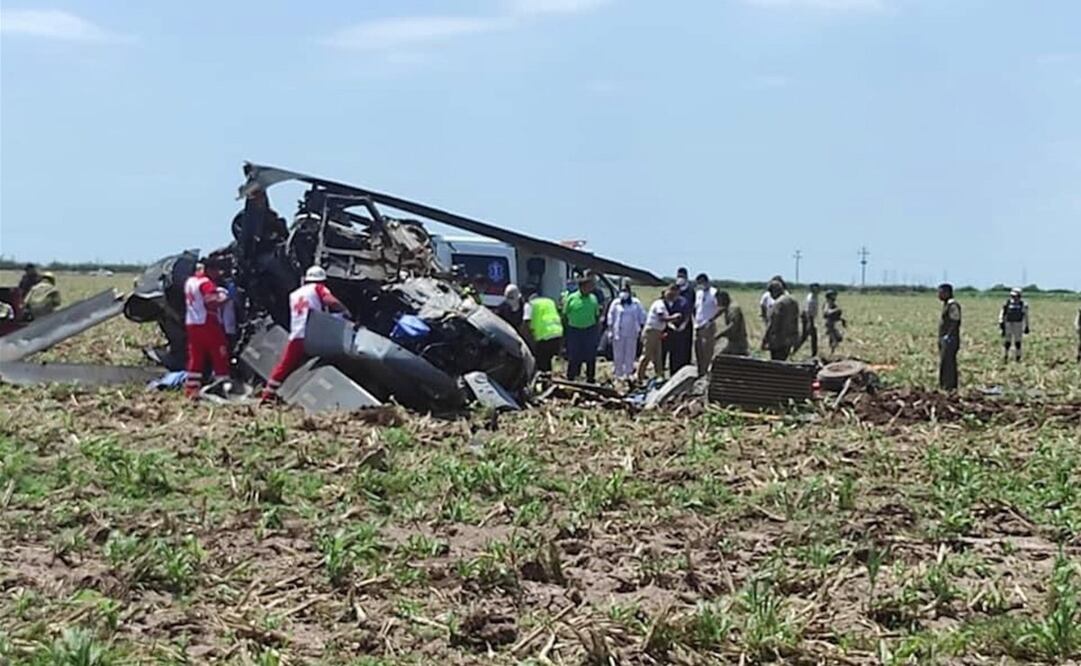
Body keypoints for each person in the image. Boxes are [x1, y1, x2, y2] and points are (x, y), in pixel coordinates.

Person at [262, 266, 349, 401]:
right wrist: (344, 311)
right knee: (337, 355)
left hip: (296, 336)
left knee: (284, 367)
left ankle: (267, 396)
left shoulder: (294, 294)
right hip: (314, 335)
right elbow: (329, 300)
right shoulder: (318, 288)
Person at [183, 262, 231, 398]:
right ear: (209, 270)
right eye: (217, 270)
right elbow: (211, 301)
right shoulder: (206, 283)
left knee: (196, 356)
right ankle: (222, 386)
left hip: (192, 323)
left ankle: (191, 389)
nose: (219, 273)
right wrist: (224, 297)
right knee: (219, 352)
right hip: (207, 322)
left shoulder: (190, 282)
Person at [638, 285, 682, 382]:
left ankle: (659, 376)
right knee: (647, 355)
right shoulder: (659, 304)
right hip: (651, 331)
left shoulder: (664, 305)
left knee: (658, 356)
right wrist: (674, 317)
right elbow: (661, 318)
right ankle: (639, 377)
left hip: (657, 332)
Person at [563, 276, 601, 382]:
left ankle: (590, 378)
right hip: (574, 330)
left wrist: (596, 329)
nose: (590, 288)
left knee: (590, 354)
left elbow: (597, 315)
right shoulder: (572, 298)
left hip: (589, 330)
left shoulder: (593, 298)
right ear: (582, 287)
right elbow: (565, 314)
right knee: (574, 354)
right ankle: (571, 377)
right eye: (588, 286)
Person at [606, 285, 647, 380]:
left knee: (630, 354)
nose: (624, 293)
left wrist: (642, 328)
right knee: (618, 355)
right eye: (622, 290)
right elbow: (610, 316)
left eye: (625, 291)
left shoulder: (636, 303)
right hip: (618, 333)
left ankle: (628, 374)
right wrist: (610, 330)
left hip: (631, 332)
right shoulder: (615, 303)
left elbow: (642, 316)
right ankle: (618, 375)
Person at [523, 289, 563, 373]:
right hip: (557, 334)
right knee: (550, 362)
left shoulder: (530, 304)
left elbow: (526, 322)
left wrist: (528, 340)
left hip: (544, 337)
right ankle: (550, 380)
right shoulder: (549, 301)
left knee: (542, 365)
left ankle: (545, 382)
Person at [665, 267, 695, 372]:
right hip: (673, 324)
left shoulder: (690, 291)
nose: (680, 278)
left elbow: (692, 308)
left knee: (685, 349)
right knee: (674, 350)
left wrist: (685, 324)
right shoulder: (673, 289)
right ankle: (673, 371)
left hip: (686, 325)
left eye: (682, 276)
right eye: (679, 276)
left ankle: (684, 370)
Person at [762, 280, 799, 361]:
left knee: (776, 363)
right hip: (790, 338)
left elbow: (773, 323)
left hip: (778, 340)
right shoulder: (793, 301)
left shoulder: (778, 303)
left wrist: (765, 339)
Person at [692, 273, 721, 376]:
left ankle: (706, 369)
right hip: (698, 324)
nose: (700, 285)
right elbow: (696, 308)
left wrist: (711, 320)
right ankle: (700, 370)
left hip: (708, 325)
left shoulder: (714, 292)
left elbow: (720, 307)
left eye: (701, 283)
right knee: (698, 348)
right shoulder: (698, 293)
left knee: (707, 349)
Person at [938, 283, 962, 391]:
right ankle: (945, 385)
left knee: (949, 363)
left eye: (941, 292)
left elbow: (955, 321)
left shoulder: (952, 305)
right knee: (945, 362)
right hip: (945, 338)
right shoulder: (946, 304)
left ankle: (950, 386)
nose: (939, 295)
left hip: (950, 339)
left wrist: (948, 335)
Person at [998, 288, 1029, 363]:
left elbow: (1026, 316)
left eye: (1016, 296)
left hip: (1018, 324)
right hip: (1008, 323)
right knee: (1007, 341)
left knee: (1017, 342)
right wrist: (1001, 322)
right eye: (1012, 296)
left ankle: (1018, 357)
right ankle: (1005, 356)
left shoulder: (1023, 305)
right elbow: (1002, 313)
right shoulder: (1007, 303)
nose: (1014, 298)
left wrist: (1027, 326)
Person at [715, 290, 749, 356]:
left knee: (722, 359)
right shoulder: (728, 307)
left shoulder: (733, 308)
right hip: (733, 342)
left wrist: (720, 335)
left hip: (737, 343)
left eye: (718, 300)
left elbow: (733, 325)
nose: (717, 302)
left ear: (723, 299)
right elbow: (721, 310)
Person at [799, 283, 821, 358]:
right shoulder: (811, 298)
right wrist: (810, 322)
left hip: (809, 317)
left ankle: (794, 350)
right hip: (808, 317)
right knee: (812, 337)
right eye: (815, 288)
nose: (817, 290)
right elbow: (808, 311)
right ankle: (814, 354)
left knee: (805, 337)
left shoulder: (814, 296)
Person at [823, 290, 847, 355]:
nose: (835, 297)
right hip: (829, 325)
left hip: (832, 324)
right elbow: (826, 312)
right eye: (833, 295)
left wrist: (842, 320)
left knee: (837, 339)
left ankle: (831, 353)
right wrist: (836, 310)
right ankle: (830, 354)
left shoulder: (832, 303)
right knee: (835, 340)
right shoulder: (827, 303)